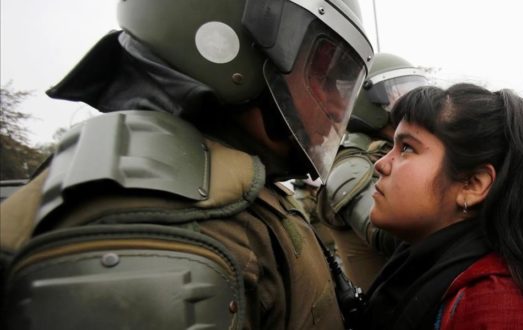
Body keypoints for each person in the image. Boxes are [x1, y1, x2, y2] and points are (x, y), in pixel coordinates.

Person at [0, 0, 374, 328]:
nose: (340, 105)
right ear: (228, 46)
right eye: (323, 76)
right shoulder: (154, 218)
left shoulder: (239, 180)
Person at [361, 84, 523, 329]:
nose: (381, 164)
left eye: (407, 148)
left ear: (473, 185)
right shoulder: (424, 262)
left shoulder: (496, 307)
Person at [315, 53, 428, 290]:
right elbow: (389, 234)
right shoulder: (349, 166)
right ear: (369, 100)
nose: (411, 106)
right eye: (398, 95)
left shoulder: (391, 151)